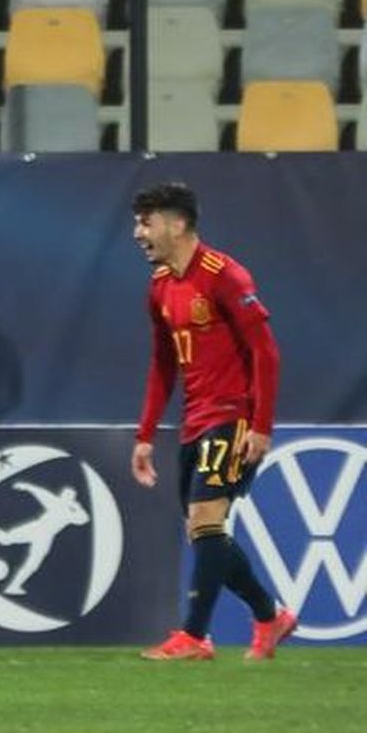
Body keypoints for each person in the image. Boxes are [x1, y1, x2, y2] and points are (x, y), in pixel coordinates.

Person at [128, 182, 295, 661]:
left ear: (177, 224)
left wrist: (260, 425)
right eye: (137, 223)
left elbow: (266, 352)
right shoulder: (160, 286)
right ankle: (269, 615)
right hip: (194, 420)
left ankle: (195, 636)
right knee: (205, 532)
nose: (138, 233)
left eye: (146, 223)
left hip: (233, 415)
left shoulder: (226, 276)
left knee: (205, 521)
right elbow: (163, 365)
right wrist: (145, 435)